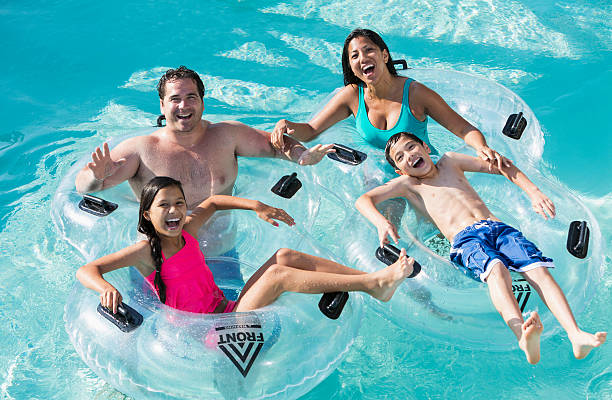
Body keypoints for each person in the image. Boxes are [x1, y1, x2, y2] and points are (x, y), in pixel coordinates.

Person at [355, 132, 606, 364]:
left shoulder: (451, 161)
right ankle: (522, 334)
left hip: (499, 229)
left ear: (425, 147)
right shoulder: (408, 186)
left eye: (411, 147)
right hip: (465, 240)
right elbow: (363, 200)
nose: (409, 155)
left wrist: (534, 193)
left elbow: (501, 166)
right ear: (400, 171)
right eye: (401, 157)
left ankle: (576, 335)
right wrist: (381, 221)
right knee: (497, 271)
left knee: (539, 271)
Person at [77, 176, 414, 315]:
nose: (174, 211)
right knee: (278, 275)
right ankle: (372, 283)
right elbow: (87, 270)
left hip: (225, 309)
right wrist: (104, 287)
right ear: (147, 214)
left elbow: (210, 203)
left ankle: (370, 284)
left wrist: (256, 206)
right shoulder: (147, 251)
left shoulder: (187, 232)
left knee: (285, 255)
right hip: (208, 333)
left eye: (178, 203)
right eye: (163, 206)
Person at [75, 65, 334, 209]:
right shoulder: (142, 150)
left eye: (191, 97)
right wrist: (95, 176)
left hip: (223, 250)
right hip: (161, 253)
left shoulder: (226, 135)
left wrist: (303, 156)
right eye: (175, 99)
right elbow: (85, 188)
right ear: (162, 106)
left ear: (202, 102)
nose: (183, 106)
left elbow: (277, 146)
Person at [271, 28, 508, 168]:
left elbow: (463, 128)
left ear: (384, 55)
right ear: (351, 67)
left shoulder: (415, 94)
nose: (362, 58)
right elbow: (312, 130)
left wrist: (482, 147)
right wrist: (286, 125)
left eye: (369, 50)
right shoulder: (352, 96)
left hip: (421, 167)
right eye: (354, 56)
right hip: (380, 172)